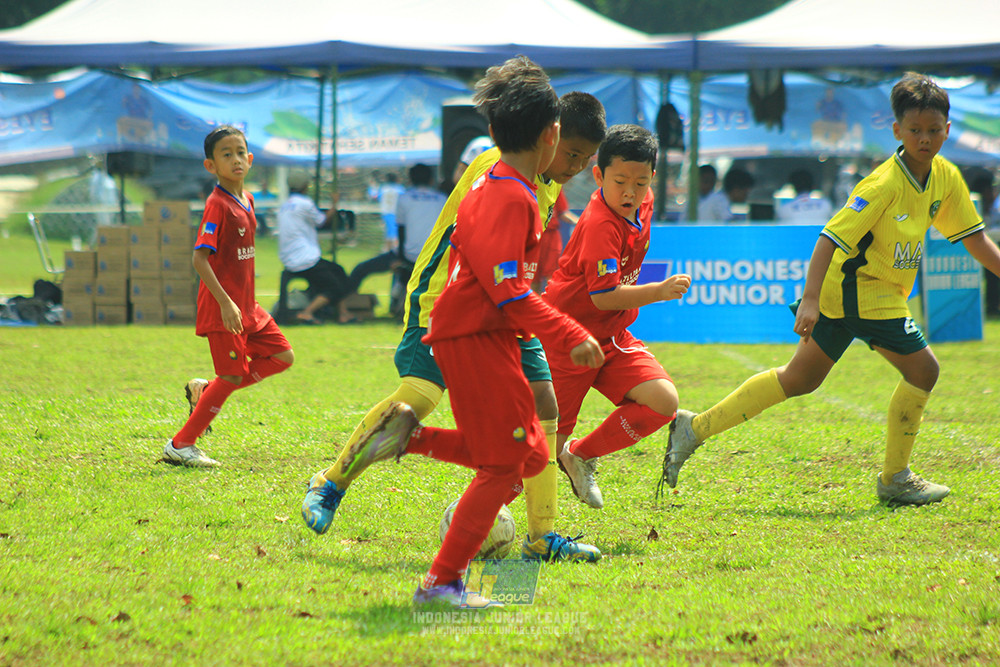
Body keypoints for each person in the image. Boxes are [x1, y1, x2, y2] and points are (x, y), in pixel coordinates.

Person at [318, 56, 604, 607]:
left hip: (484, 333)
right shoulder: (509, 193)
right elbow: (508, 292)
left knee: (526, 451)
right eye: (571, 152)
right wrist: (567, 330)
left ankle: (411, 439)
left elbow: (505, 286)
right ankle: (442, 583)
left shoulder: (513, 185)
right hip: (474, 335)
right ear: (551, 135)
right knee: (504, 464)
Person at [661, 73, 1000, 507]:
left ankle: (694, 428)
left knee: (799, 379)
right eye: (915, 130)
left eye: (934, 130)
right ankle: (895, 478)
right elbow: (828, 238)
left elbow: (974, 239)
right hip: (861, 291)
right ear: (897, 131)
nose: (925, 139)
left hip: (870, 293)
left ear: (947, 130)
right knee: (924, 371)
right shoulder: (883, 184)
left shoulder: (946, 178)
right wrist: (810, 299)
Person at [542, 124, 691, 509]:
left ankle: (580, 455)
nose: (630, 191)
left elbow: (611, 302)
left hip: (610, 336)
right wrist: (658, 291)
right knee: (542, 448)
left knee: (662, 400)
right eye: (620, 180)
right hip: (569, 339)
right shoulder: (598, 226)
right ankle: (487, 512)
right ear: (598, 175)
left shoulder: (644, 201)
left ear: (652, 179)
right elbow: (605, 295)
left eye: (640, 182)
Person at [163, 125, 295, 467]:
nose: (235, 159)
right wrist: (225, 303)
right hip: (224, 308)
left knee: (282, 356)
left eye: (240, 153)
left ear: (250, 159)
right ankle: (181, 444)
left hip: (248, 306)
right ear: (211, 166)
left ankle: (206, 392)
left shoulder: (247, 200)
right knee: (233, 375)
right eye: (226, 154)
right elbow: (199, 258)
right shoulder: (217, 205)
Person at [346, 163, 447, 317]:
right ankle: (397, 304)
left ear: (410, 180)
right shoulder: (442, 199)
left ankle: (344, 306)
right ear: (432, 180)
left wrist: (400, 258)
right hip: (433, 256)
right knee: (405, 273)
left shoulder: (404, 198)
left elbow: (401, 230)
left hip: (408, 255)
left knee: (361, 269)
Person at [276, 170, 353, 324]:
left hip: (289, 259)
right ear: (305, 186)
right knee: (337, 286)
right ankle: (307, 312)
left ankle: (343, 313)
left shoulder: (284, 206)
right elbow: (321, 221)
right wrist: (334, 204)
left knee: (337, 270)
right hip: (306, 259)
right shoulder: (305, 204)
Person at [964, 167, 1000, 317]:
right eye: (990, 189)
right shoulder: (971, 206)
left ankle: (992, 305)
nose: (993, 193)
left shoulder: (993, 208)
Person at [374, 172, 406, 252]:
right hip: (396, 212)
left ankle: (388, 249)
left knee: (389, 231)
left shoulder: (383, 188)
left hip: (386, 212)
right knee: (394, 232)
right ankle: (393, 250)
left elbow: (378, 197)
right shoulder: (400, 189)